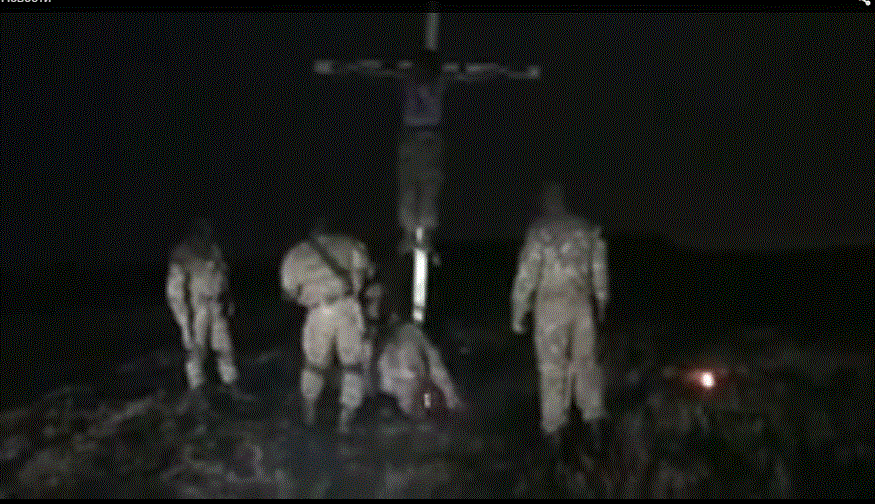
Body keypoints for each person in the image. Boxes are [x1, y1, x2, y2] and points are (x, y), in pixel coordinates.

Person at [510, 182, 611, 464]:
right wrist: (601, 303)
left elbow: (526, 275)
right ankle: (595, 425)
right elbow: (599, 269)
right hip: (581, 307)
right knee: (586, 366)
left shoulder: (539, 232)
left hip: (550, 308)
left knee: (552, 370)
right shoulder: (585, 229)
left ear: (545, 202)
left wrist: (518, 311)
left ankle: (555, 436)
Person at [279, 224, 376, 435]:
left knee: (314, 365)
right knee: (353, 366)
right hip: (347, 308)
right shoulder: (350, 244)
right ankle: (345, 422)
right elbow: (366, 271)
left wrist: (310, 293)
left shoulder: (296, 254)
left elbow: (288, 291)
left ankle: (309, 416)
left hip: (318, 312)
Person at [165, 218, 244, 412]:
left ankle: (232, 385)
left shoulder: (213, 249)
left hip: (216, 305)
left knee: (225, 347)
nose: (209, 233)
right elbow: (175, 290)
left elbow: (222, 276)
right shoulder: (182, 253)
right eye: (204, 230)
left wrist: (228, 300)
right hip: (196, 308)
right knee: (195, 350)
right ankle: (198, 392)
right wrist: (184, 318)